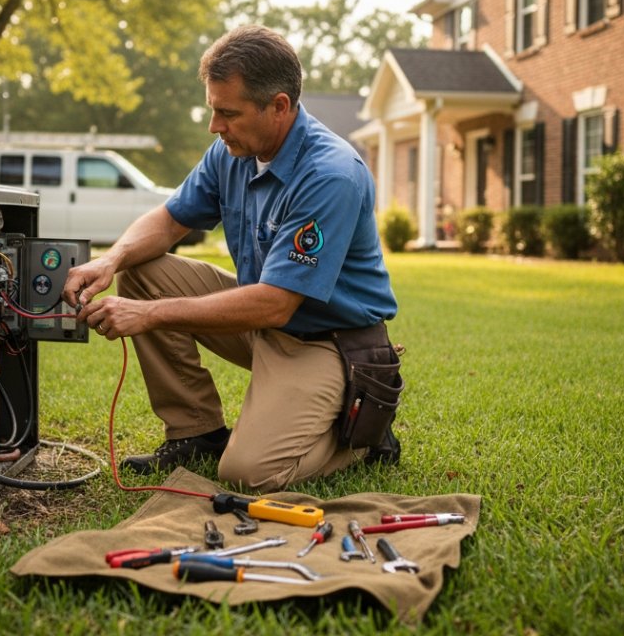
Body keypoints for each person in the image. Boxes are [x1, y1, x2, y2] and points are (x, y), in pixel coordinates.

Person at [64, 25, 400, 491]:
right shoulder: (232, 151)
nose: (214, 126)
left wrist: (149, 314)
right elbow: (168, 220)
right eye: (213, 110)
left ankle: (361, 433)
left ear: (279, 106)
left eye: (228, 113)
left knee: (250, 473)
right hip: (263, 322)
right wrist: (111, 260)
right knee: (142, 269)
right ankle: (196, 433)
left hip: (326, 341)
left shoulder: (331, 175)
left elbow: (277, 304)